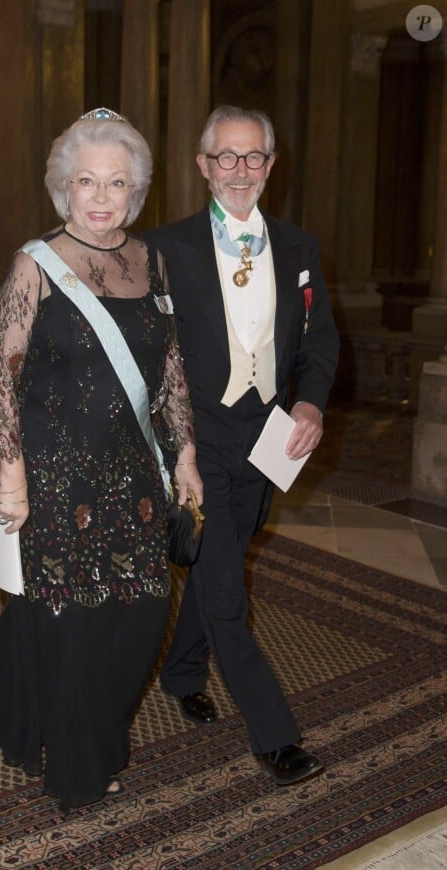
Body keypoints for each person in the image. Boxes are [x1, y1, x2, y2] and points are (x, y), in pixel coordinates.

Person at [0, 108, 203, 812]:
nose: (100, 195)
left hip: (136, 476)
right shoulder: (38, 263)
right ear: (65, 188)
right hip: (59, 479)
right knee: (77, 628)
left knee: (141, 621)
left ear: (136, 191)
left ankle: (35, 700)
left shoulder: (151, 263)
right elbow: (1, 371)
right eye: (86, 180)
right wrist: (12, 475)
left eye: (116, 182)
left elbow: (171, 366)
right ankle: (80, 763)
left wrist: (184, 453)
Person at [144, 105, 340, 785]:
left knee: (221, 553)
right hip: (197, 437)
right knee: (227, 585)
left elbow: (320, 340)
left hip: (269, 434)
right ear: (203, 166)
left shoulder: (299, 247)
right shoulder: (166, 248)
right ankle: (276, 737)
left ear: (270, 166)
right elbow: (149, 356)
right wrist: (168, 445)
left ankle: (182, 671)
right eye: (226, 157)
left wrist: (310, 401)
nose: (240, 170)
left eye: (254, 157)